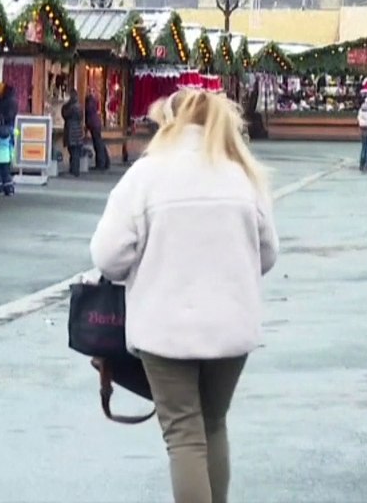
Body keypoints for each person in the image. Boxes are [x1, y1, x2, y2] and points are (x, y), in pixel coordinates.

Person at [90, 89, 278, 503]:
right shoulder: (241, 173)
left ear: (168, 123)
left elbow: (108, 257)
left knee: (183, 435)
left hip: (164, 328)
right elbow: (266, 254)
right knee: (213, 424)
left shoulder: (146, 175)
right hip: (231, 326)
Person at [85, 90, 111, 171]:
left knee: (98, 144)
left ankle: (101, 163)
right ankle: (105, 162)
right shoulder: (93, 101)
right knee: (99, 143)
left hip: (93, 124)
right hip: (96, 124)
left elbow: (88, 112)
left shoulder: (90, 102)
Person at [61, 91, 84, 177]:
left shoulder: (71, 107)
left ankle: (74, 171)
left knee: (73, 152)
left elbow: (64, 114)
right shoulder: (79, 106)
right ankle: (75, 170)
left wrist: (64, 105)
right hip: (77, 132)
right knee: (75, 153)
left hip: (71, 131)